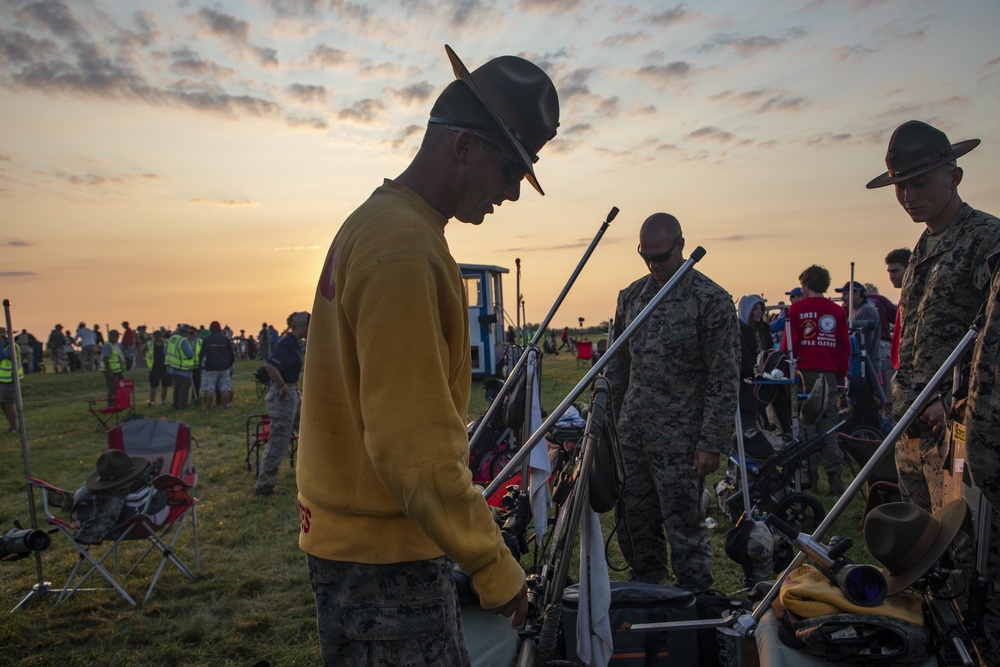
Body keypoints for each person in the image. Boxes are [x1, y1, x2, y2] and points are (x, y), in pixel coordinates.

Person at [295, 45, 559, 664]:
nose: (513, 196)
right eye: (508, 172)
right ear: (464, 147)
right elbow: (411, 445)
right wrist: (495, 566)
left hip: (361, 550)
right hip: (385, 564)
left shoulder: (384, 223)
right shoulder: (404, 247)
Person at [866, 119, 1000, 513]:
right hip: (914, 427)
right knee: (920, 547)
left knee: (964, 545)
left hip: (958, 432)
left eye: (920, 182)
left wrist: (954, 403)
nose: (908, 195)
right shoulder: (924, 247)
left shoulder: (986, 240)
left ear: (954, 176)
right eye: (900, 186)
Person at [608, 213, 739, 593]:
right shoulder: (632, 297)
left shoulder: (709, 300)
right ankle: (646, 590)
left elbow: (724, 376)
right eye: (644, 257)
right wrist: (609, 431)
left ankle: (695, 599)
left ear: (681, 245)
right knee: (635, 520)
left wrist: (711, 442)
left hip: (683, 442)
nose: (653, 266)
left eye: (661, 256)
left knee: (685, 526)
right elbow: (617, 368)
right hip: (632, 435)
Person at [783, 265, 851, 494]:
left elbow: (788, 346)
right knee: (829, 426)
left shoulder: (797, 310)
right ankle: (835, 477)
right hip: (829, 373)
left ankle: (810, 478)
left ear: (807, 284)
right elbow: (844, 346)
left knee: (806, 426)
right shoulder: (837, 311)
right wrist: (840, 373)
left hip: (805, 374)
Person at [254, 312, 309, 496]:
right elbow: (270, 365)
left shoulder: (295, 343)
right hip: (282, 396)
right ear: (300, 325)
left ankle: (310, 473)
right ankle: (264, 485)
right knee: (279, 440)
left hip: (292, 394)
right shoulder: (287, 342)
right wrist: (282, 386)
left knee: (307, 430)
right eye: (308, 325)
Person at [737, 294, 770, 428]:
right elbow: (743, 362)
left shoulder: (764, 330)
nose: (759, 312)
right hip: (746, 389)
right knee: (748, 427)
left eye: (760, 308)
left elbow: (771, 353)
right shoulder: (739, 333)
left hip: (765, 389)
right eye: (755, 308)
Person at [199, 321, 235, 414]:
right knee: (224, 388)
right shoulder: (225, 339)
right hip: (224, 367)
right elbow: (231, 354)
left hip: (210, 367)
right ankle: (224, 408)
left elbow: (202, 354)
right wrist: (229, 364)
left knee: (210, 389)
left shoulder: (207, 339)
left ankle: (208, 409)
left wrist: (201, 365)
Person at [165, 324, 196, 410]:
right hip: (183, 368)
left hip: (173, 367)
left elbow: (165, 351)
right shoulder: (183, 341)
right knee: (184, 388)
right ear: (186, 332)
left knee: (177, 388)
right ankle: (182, 405)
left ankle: (175, 404)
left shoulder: (172, 339)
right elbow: (190, 354)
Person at [1, 327, 21, 432]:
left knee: (7, 403)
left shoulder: (11, 346)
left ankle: (14, 427)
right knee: (3, 404)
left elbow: (3, 356)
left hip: (9, 379)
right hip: (2, 379)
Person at [145, 329, 171, 406]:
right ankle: (152, 401)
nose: (158, 338)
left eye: (159, 337)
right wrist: (146, 358)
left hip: (165, 366)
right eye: (156, 337)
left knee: (165, 385)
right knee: (153, 385)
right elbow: (143, 350)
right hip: (154, 367)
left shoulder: (166, 342)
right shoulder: (150, 344)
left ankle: (163, 401)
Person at [101, 329, 126, 406]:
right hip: (112, 371)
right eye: (116, 336)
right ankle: (111, 405)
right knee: (111, 388)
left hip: (117, 371)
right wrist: (109, 371)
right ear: (111, 336)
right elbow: (106, 359)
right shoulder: (107, 345)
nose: (118, 338)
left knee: (120, 386)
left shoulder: (115, 345)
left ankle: (119, 402)